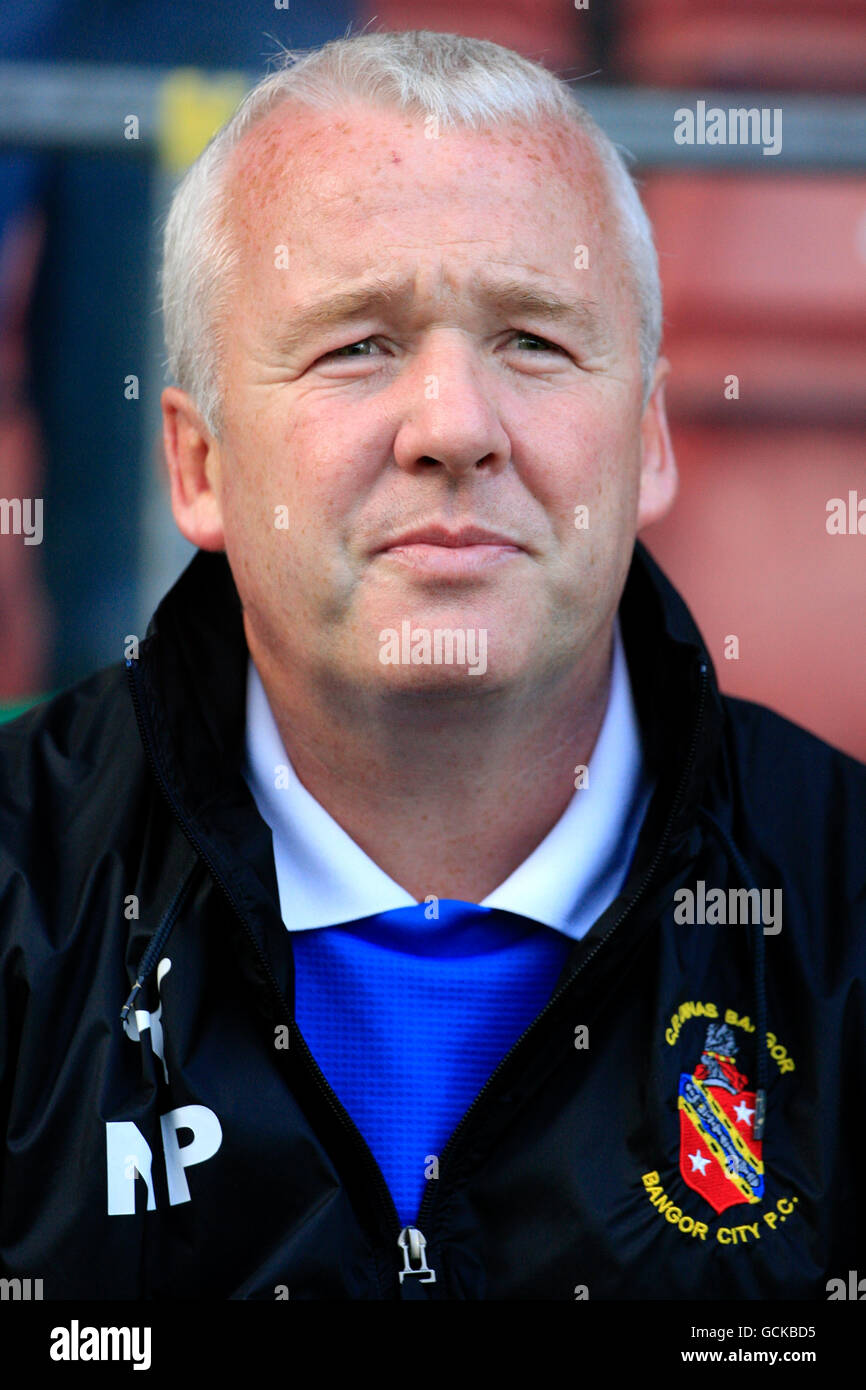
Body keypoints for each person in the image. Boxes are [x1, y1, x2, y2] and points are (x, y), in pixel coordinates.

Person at [0, 29, 863, 1301]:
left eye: (532, 340)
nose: (454, 428)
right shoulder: (22, 895)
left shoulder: (842, 911)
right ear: (198, 467)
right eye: (357, 344)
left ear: (650, 440)